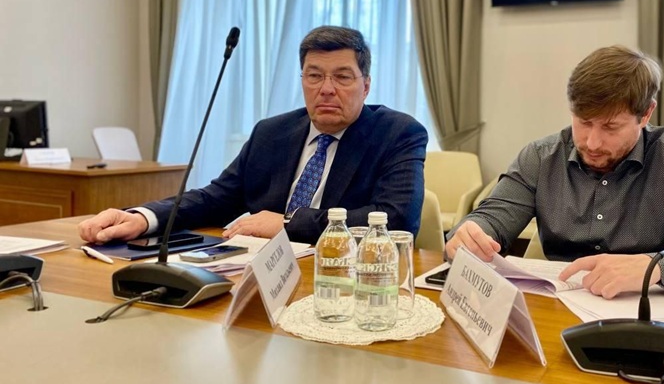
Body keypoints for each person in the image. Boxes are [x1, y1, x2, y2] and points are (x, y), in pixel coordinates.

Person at [446, 46, 664, 299]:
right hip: (558, 311)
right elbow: (492, 217)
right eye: (583, 122)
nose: (592, 143)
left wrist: (654, 267)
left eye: (610, 127)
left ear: (646, 114)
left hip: (647, 318)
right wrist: (471, 234)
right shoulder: (541, 157)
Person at [79, 26, 428, 245]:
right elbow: (216, 198)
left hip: (346, 278)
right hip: (263, 271)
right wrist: (143, 217)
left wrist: (288, 224)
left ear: (365, 86)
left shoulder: (398, 133)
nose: (326, 89)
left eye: (342, 77)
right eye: (314, 76)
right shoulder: (271, 133)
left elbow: (396, 219)